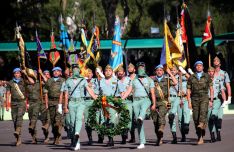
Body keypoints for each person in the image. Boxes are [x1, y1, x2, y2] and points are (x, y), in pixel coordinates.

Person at [61, 64, 97, 150]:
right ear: (72, 71)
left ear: (79, 70)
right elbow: (66, 95)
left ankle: (77, 133)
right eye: (74, 69)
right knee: (72, 122)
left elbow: (89, 90)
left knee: (79, 118)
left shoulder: (83, 80)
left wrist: (96, 98)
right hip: (71, 103)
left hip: (81, 102)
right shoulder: (68, 81)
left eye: (77, 69)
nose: (75, 70)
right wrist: (65, 107)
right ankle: (77, 142)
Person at [5, 68, 35, 146]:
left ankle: (18, 130)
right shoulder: (10, 82)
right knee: (15, 120)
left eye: (18, 73)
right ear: (13, 74)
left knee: (19, 117)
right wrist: (7, 105)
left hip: (22, 102)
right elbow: (8, 93)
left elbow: (32, 82)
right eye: (15, 73)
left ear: (20, 74)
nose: (16, 74)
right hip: (13, 103)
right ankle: (18, 138)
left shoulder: (24, 81)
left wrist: (25, 74)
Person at [187, 61, 213, 145]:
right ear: (195, 67)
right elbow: (188, 90)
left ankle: (202, 124)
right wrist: (189, 102)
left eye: (200, 66)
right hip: (194, 98)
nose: (199, 67)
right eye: (197, 66)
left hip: (204, 97)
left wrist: (211, 100)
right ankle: (200, 137)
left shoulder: (207, 76)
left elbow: (211, 88)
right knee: (195, 118)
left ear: (203, 67)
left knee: (203, 112)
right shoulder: (191, 77)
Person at [150, 64, 177, 146]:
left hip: (163, 102)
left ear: (163, 71)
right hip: (154, 102)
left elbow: (175, 82)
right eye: (157, 70)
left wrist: (170, 73)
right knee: (155, 121)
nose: (159, 72)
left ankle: (161, 129)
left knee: (161, 116)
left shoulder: (167, 79)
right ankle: (159, 137)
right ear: (155, 71)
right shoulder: (151, 80)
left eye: (161, 70)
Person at [131, 62, 156, 149]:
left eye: (142, 67)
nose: (140, 69)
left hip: (146, 99)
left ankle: (141, 116)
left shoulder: (149, 80)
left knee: (142, 113)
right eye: (139, 67)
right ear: (137, 69)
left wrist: (154, 104)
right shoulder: (134, 80)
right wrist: (122, 97)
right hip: (136, 101)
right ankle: (142, 142)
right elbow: (129, 91)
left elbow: (152, 93)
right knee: (139, 123)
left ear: (145, 69)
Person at [44, 67, 65, 145]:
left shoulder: (63, 80)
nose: (56, 72)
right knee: (53, 121)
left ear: (60, 72)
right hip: (51, 102)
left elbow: (66, 93)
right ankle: (56, 136)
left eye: (57, 71)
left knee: (58, 121)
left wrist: (66, 104)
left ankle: (58, 135)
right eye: (54, 71)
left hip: (60, 103)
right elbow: (45, 92)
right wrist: (46, 104)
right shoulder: (49, 81)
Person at [213, 56, 232, 141]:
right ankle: (214, 133)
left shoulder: (224, 73)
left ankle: (218, 133)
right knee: (213, 116)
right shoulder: (211, 73)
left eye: (217, 61)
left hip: (221, 97)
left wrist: (229, 97)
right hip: (212, 97)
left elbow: (228, 85)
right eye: (214, 61)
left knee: (219, 116)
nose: (215, 62)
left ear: (220, 64)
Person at [207, 66, 226, 143]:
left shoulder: (218, 79)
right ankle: (212, 135)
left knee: (214, 115)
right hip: (208, 101)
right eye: (209, 72)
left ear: (214, 72)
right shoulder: (205, 81)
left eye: (212, 71)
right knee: (209, 119)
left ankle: (218, 132)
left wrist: (224, 101)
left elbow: (222, 90)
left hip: (217, 100)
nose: (211, 73)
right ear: (207, 73)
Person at [115, 66, 133, 144]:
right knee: (121, 119)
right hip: (120, 102)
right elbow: (114, 92)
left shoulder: (129, 80)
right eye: (118, 72)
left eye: (121, 71)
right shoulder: (116, 82)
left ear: (124, 73)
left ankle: (127, 130)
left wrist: (126, 93)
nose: (120, 73)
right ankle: (123, 137)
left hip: (128, 101)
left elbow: (132, 90)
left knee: (129, 118)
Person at [83, 68, 99, 145]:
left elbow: (97, 92)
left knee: (96, 119)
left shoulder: (95, 81)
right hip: (85, 101)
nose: (88, 75)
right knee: (87, 121)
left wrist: (89, 87)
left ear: (92, 74)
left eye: (90, 73)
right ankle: (90, 138)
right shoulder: (82, 82)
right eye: (87, 73)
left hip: (93, 101)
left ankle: (100, 135)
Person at [27, 70, 43, 144]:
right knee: (31, 119)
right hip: (30, 103)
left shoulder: (40, 83)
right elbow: (25, 94)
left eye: (35, 74)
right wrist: (26, 103)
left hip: (38, 102)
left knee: (34, 115)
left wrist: (41, 74)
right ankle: (34, 138)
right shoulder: (27, 84)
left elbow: (47, 82)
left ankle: (32, 125)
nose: (34, 75)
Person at [177, 66, 191, 142]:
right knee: (179, 119)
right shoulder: (175, 76)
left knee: (186, 112)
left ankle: (186, 125)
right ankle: (183, 135)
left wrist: (184, 73)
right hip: (178, 99)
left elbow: (191, 79)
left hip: (185, 98)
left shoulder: (186, 76)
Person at [38, 69, 51, 144]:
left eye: (47, 74)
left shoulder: (51, 81)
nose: (46, 75)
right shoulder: (40, 83)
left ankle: (56, 136)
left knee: (50, 118)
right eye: (44, 74)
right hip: (41, 103)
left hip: (50, 102)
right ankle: (46, 136)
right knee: (43, 121)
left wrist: (41, 74)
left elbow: (48, 82)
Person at [127, 63, 137, 143]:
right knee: (130, 118)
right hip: (129, 100)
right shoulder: (126, 78)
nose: (129, 68)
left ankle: (141, 136)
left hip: (137, 99)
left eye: (131, 67)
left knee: (137, 119)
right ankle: (132, 136)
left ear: (134, 69)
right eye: (128, 67)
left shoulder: (137, 77)